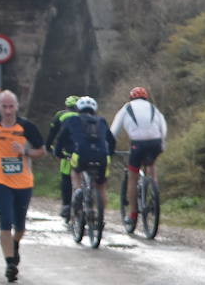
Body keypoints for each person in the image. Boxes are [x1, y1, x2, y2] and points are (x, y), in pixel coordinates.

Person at [0, 89, 46, 282]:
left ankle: (15, 243)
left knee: (21, 226)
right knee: (5, 219)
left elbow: (41, 151)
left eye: (11, 106)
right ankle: (9, 264)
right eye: (4, 106)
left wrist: (25, 151)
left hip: (23, 182)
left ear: (16, 107)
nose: (8, 111)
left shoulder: (27, 127)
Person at [109, 86, 167, 231]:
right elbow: (163, 126)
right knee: (151, 166)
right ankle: (154, 193)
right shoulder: (153, 108)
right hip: (156, 142)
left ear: (131, 98)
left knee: (133, 177)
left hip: (138, 144)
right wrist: (162, 142)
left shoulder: (126, 108)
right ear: (146, 98)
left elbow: (113, 131)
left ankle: (133, 214)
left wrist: (109, 147)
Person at [56, 96, 116, 225]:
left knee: (75, 172)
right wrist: (109, 154)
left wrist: (59, 153)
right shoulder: (102, 121)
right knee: (101, 186)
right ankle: (100, 218)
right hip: (102, 157)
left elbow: (61, 138)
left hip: (81, 155)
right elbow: (111, 141)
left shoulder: (72, 119)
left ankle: (78, 191)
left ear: (78, 108)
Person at [45, 94, 80, 220]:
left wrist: (48, 147)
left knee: (66, 177)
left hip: (67, 152)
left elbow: (52, 133)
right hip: (83, 153)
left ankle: (66, 206)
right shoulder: (84, 116)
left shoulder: (60, 115)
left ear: (66, 106)